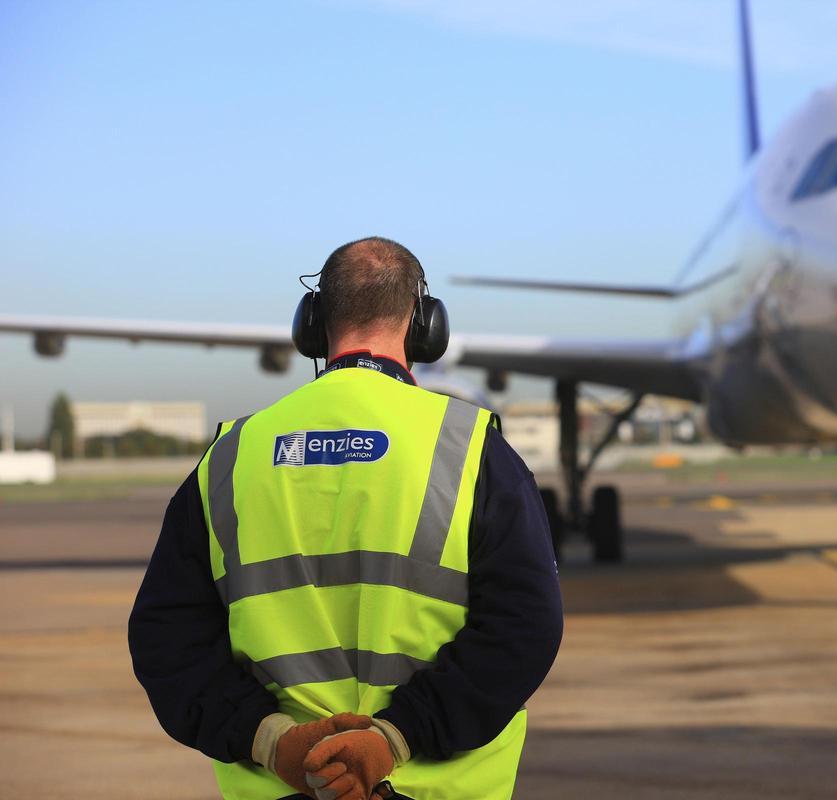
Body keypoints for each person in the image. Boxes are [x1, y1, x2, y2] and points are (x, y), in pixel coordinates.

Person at [129, 237, 563, 800]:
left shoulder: (232, 456)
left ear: (311, 324)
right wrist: (395, 737)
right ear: (423, 326)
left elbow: (167, 639)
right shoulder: (471, 449)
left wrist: (272, 741)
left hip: (286, 786)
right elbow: (525, 627)